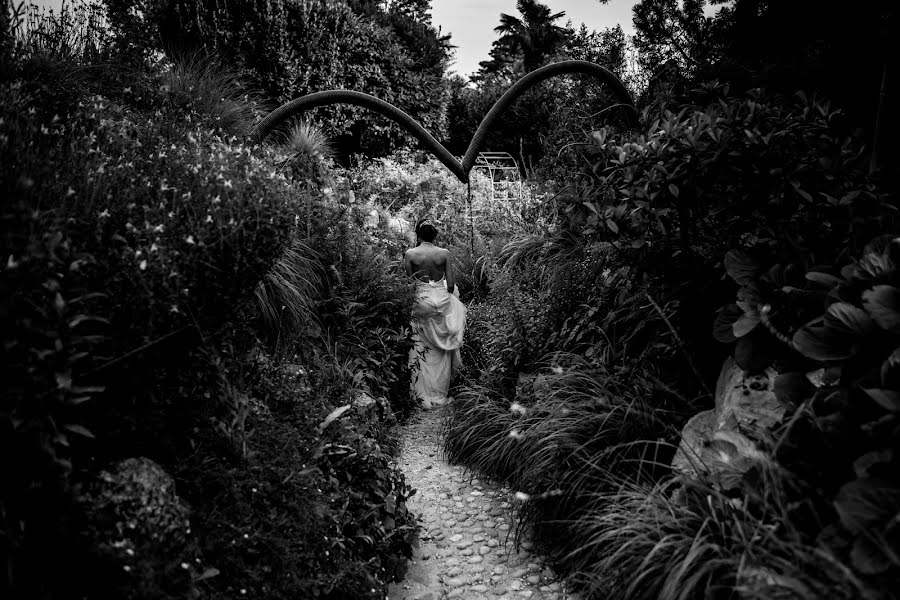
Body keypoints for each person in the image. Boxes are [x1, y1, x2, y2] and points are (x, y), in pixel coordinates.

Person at [404, 219, 466, 409]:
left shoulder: (410, 254)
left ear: (419, 236)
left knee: (421, 346)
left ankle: (421, 392)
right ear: (435, 235)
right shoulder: (444, 254)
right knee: (441, 351)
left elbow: (409, 284)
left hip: (422, 301)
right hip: (441, 300)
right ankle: (440, 392)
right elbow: (451, 285)